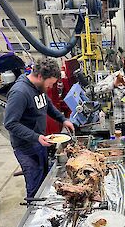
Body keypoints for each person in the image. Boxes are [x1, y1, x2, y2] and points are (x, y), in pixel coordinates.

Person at [4, 58, 74, 198]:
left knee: (44, 182)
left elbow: (47, 105)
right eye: (50, 83)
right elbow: (10, 123)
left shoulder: (38, 87)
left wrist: (63, 120)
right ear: (40, 76)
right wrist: (36, 137)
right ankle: (33, 212)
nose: (50, 87)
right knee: (35, 185)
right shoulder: (20, 93)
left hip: (40, 142)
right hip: (26, 148)